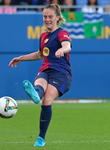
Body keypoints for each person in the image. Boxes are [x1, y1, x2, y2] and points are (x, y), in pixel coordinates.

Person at [8, 4, 72, 147]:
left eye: (50, 16)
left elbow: (67, 45)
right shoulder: (43, 36)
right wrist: (21, 58)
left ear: (57, 18)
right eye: (45, 16)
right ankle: (36, 94)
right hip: (46, 69)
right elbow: (39, 54)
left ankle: (41, 138)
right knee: (40, 84)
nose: (47, 19)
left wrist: (63, 50)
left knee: (47, 100)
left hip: (61, 73)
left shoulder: (62, 33)